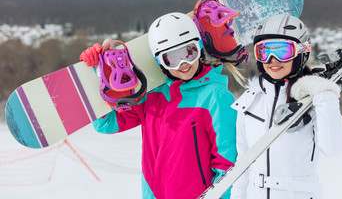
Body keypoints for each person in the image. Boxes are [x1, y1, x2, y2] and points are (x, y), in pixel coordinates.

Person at [80, 12, 243, 199]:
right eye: (172, 58)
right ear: (160, 61)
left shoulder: (216, 96)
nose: (183, 64)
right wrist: (98, 73)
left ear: (199, 48)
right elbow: (105, 124)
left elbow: (227, 161)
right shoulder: (152, 97)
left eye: (189, 53)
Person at [230, 14, 342, 199]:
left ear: (301, 52)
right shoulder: (250, 101)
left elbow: (333, 148)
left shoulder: (312, 100)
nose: (272, 60)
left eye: (282, 51)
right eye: (265, 51)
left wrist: (324, 95)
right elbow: (242, 165)